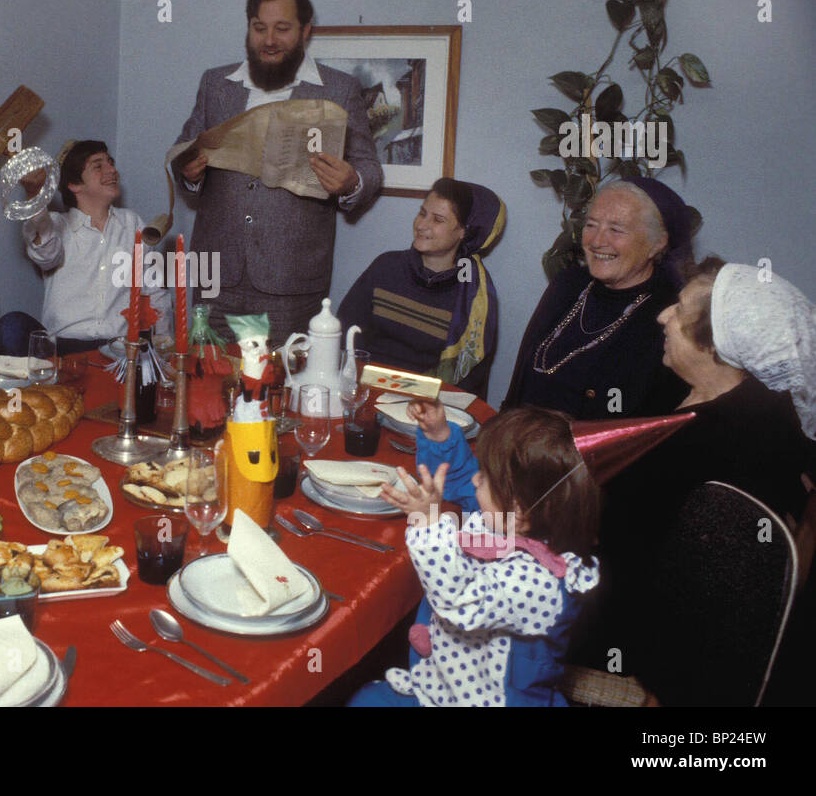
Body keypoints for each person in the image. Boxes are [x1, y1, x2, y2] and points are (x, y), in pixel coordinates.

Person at [572, 257, 816, 703]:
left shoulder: (706, 443)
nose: (662, 315)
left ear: (717, 346)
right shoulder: (733, 395)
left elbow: (622, 553)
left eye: (679, 312)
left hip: (643, 645)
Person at [170, 0, 382, 346]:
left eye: (282, 29)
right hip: (217, 278)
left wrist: (351, 182)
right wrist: (188, 173)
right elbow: (185, 148)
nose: (269, 40)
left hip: (291, 283)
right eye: (259, 28)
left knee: (278, 388)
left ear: (305, 31)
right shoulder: (216, 85)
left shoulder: (339, 89)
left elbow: (369, 167)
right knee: (210, 386)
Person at [349, 404, 601, 706]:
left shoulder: (541, 582)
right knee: (366, 700)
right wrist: (441, 438)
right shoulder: (507, 520)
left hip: (489, 701)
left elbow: (459, 598)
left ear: (519, 510)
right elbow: (461, 479)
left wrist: (428, 525)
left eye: (485, 477)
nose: (475, 480)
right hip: (441, 684)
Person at [503, 177, 691, 419]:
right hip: (517, 440)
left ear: (657, 243)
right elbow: (521, 379)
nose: (597, 241)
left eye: (616, 229)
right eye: (591, 225)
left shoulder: (668, 315)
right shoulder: (568, 284)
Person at [0, 140, 170, 356]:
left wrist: (164, 348)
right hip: (62, 348)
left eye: (111, 162)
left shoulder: (133, 223)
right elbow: (46, 256)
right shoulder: (53, 223)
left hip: (119, 349)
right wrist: (35, 194)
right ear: (74, 184)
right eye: (98, 166)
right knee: (11, 326)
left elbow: (153, 291)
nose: (112, 170)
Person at [338, 177, 504, 398]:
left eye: (438, 219)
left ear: (464, 231)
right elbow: (343, 333)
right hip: (366, 390)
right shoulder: (386, 267)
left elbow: (468, 381)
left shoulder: (472, 296)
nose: (422, 224)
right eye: (422, 213)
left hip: (429, 403)